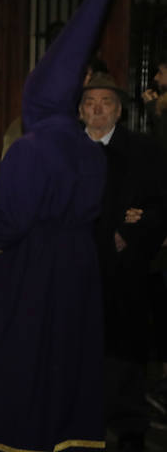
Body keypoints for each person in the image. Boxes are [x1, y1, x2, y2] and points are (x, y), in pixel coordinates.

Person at [0, 0, 121, 451]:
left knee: (27, 360)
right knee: (68, 360)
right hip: (78, 272)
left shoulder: (30, 148)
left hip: (33, 272)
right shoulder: (89, 148)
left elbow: (6, 226)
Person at [80, 72, 166, 452]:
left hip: (125, 266)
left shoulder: (144, 149)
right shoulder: (66, 149)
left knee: (125, 348)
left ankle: (130, 424)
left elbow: (159, 206)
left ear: (119, 110)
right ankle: (80, 418)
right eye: (90, 103)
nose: (98, 109)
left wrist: (133, 230)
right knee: (79, 344)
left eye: (106, 102)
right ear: (80, 110)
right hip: (75, 263)